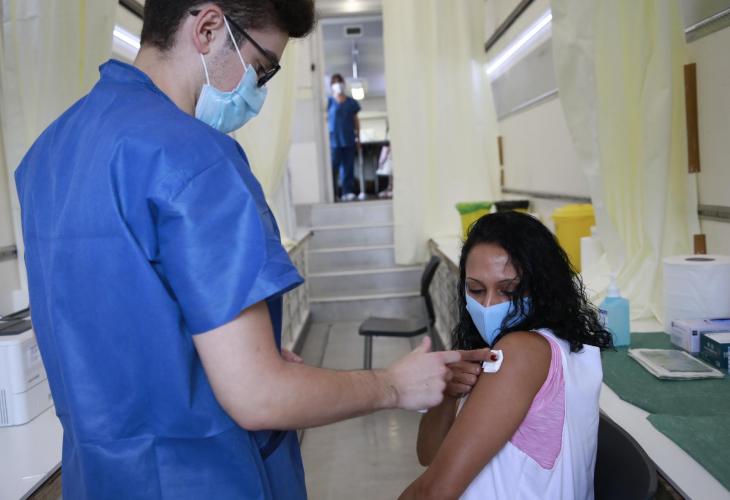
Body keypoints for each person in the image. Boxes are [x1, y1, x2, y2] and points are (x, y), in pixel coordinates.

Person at [13, 2, 474, 499]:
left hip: (100, 480)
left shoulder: (49, 154)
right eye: (260, 68)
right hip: (203, 480)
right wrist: (393, 385)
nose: (257, 91)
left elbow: (120, 332)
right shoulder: (194, 157)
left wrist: (236, 354)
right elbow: (259, 396)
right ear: (209, 28)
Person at [399, 212, 614, 500]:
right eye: (476, 289)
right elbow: (429, 455)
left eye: (509, 290)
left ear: (542, 287)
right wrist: (447, 396)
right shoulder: (507, 350)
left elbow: (434, 491)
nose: (488, 305)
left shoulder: (521, 351)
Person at [327, 73, 361, 201]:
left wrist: (358, 137)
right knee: (333, 168)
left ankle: (347, 192)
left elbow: (356, 120)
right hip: (334, 141)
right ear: (331, 86)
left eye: (339, 81)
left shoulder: (351, 102)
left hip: (349, 139)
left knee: (348, 167)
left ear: (343, 84)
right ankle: (333, 193)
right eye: (335, 82)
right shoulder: (329, 102)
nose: (338, 84)